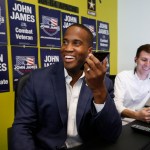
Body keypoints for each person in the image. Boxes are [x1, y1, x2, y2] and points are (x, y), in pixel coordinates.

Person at [11, 23, 122, 150]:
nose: (67, 48)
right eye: (65, 42)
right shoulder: (37, 79)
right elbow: (22, 127)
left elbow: (112, 134)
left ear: (89, 51)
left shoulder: (103, 83)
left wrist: (98, 90)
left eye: (76, 43)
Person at [114, 44, 150, 123]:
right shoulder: (123, 77)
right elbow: (117, 106)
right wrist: (137, 115)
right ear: (135, 59)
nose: (148, 64)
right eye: (144, 60)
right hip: (123, 122)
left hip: (143, 122)